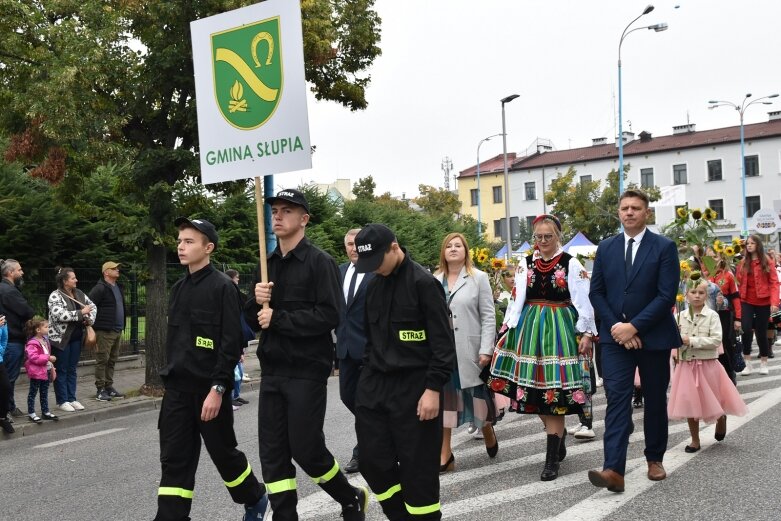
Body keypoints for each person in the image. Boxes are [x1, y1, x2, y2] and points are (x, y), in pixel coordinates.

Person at [244, 189, 367, 520]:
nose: (278, 216)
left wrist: (279, 318)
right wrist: (255, 300)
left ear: (304, 219)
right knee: (273, 453)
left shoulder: (320, 262)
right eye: (274, 211)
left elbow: (330, 315)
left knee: (306, 449)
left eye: (287, 210)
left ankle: (350, 496)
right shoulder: (266, 266)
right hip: (273, 369)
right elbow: (249, 319)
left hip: (306, 370)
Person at [155, 217, 268, 521]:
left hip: (209, 391)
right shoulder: (178, 288)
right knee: (174, 460)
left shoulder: (222, 288)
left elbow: (230, 344)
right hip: (177, 390)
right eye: (179, 241)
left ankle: (255, 497)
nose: (181, 246)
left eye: (189, 241)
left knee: (224, 455)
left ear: (208, 248)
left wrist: (218, 389)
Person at [353, 223, 455, 520]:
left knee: (418, 471)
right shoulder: (373, 284)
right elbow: (370, 341)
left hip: (416, 388)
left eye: (377, 262)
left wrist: (433, 389)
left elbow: (442, 344)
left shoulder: (423, 284)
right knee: (371, 461)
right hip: (375, 386)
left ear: (394, 248)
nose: (373, 269)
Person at [489, 214, 596, 481]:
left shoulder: (571, 264)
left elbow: (584, 299)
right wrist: (506, 329)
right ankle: (557, 441)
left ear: (558, 236)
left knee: (554, 395)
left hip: (559, 329)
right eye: (539, 237)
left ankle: (551, 461)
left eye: (548, 236)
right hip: (529, 330)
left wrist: (586, 333)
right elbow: (516, 300)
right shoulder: (525, 264)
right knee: (534, 393)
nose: (543, 241)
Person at [588, 189, 682, 492]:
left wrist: (635, 328)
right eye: (625, 208)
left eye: (636, 208)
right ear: (618, 212)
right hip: (615, 339)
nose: (629, 212)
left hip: (653, 337)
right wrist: (618, 327)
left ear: (646, 213)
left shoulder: (664, 247)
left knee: (654, 398)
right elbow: (597, 293)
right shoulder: (605, 248)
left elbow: (666, 294)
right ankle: (613, 469)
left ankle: (655, 458)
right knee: (617, 398)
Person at [433, 232, 498, 471]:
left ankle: (487, 429)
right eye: (448, 245)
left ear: (466, 251)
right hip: (443, 351)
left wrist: (486, 349)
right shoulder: (434, 279)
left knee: (476, 397)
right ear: (443, 251)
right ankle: (445, 453)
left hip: (470, 348)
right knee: (445, 399)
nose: (452, 249)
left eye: (458, 245)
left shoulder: (478, 278)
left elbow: (488, 315)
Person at [668, 280, 747, 450]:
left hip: (708, 364)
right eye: (693, 292)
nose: (697, 296)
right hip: (687, 365)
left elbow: (716, 340)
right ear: (686, 295)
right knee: (689, 402)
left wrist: (692, 340)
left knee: (714, 397)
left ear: (706, 295)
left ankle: (720, 417)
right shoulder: (678, 317)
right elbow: (672, 340)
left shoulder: (712, 316)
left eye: (701, 293)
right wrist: (676, 350)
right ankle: (695, 440)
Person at [335, 228, 375, 474]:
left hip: (372, 350)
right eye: (349, 243)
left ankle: (363, 451)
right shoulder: (338, 272)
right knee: (349, 398)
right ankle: (378, 437)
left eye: (358, 243)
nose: (353, 248)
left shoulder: (377, 271)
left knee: (367, 402)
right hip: (346, 349)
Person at [48, 267, 97, 413]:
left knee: (72, 369)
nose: (76, 280)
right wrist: (81, 313)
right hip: (60, 339)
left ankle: (72, 398)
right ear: (64, 281)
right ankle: (62, 401)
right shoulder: (55, 296)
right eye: (73, 278)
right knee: (61, 369)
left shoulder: (80, 293)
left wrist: (89, 319)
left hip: (76, 338)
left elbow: (92, 307)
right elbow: (60, 315)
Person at [736, 235, 780, 375]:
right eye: (747, 243)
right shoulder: (743, 262)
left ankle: (764, 362)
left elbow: (774, 282)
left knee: (761, 332)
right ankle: (747, 363)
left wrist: (774, 302)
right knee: (746, 329)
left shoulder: (766, 261)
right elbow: (738, 282)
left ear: (758, 245)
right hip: (746, 300)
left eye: (752, 243)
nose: (749, 245)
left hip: (764, 301)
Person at [0, 259, 35, 418]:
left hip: (6, 338)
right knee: (10, 378)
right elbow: (27, 311)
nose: (22, 272)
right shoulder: (10, 291)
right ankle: (7, 409)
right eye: (19, 270)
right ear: (10, 272)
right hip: (12, 340)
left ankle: (10, 407)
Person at [88, 261, 126, 401]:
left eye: (117, 268)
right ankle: (100, 389)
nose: (118, 270)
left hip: (117, 330)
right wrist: (91, 326)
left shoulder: (117, 287)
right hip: (104, 331)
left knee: (112, 359)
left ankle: (109, 387)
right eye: (114, 268)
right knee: (102, 360)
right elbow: (89, 306)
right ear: (106, 272)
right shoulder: (100, 288)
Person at [708, 252, 741, 384]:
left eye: (715, 256)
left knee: (725, 343)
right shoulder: (703, 275)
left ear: (721, 258)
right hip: (707, 315)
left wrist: (738, 318)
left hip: (724, 314)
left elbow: (735, 297)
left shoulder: (728, 275)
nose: (712, 259)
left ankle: (729, 372)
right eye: (708, 257)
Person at [24, 316, 59, 423]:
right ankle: (31, 413)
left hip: (46, 371)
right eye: (46, 327)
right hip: (36, 372)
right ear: (38, 330)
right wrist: (48, 358)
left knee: (44, 392)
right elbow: (33, 357)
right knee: (33, 392)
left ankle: (45, 412)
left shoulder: (45, 340)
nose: (48, 328)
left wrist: (50, 365)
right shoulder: (32, 343)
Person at [224, 269, 250, 409]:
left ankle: (235, 396)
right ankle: (230, 398)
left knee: (238, 372)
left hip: (239, 339)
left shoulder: (236, 295)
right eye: (237, 278)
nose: (238, 280)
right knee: (235, 373)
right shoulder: (230, 294)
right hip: (233, 341)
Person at [0, 312, 13, 434]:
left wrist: (1, 352)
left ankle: (2, 417)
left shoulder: (2, 319)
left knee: (6, 388)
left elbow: (4, 338)